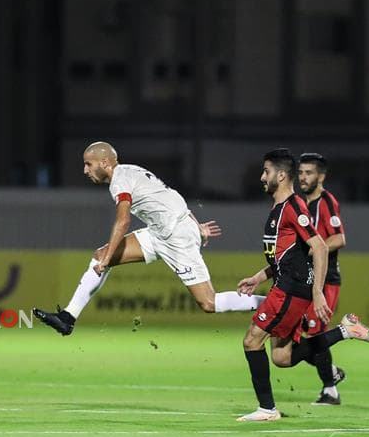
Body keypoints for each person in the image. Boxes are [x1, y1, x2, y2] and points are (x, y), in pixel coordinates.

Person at [33, 141, 264, 335]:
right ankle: (67, 318)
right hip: (160, 232)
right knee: (100, 255)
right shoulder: (131, 170)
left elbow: (123, 221)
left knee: (208, 303)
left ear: (104, 163)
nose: (85, 170)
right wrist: (197, 226)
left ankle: (270, 304)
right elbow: (170, 196)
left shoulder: (120, 181)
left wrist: (191, 228)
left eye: (88, 164)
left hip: (176, 237)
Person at [235, 149, 369, 422]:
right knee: (282, 357)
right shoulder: (279, 208)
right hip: (286, 283)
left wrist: (317, 294)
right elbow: (287, 256)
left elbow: (321, 247)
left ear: (280, 175)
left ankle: (267, 409)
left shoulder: (294, 207)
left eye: (266, 171)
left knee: (252, 340)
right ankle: (345, 331)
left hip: (292, 288)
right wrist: (257, 278)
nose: (262, 177)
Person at [298, 153, 347, 405]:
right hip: (306, 279)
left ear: (321, 176)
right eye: (301, 172)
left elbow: (339, 238)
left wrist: (315, 248)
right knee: (294, 339)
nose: (303, 177)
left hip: (326, 279)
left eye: (309, 173)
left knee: (316, 336)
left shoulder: (326, 202)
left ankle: (330, 389)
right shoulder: (303, 204)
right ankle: (331, 374)